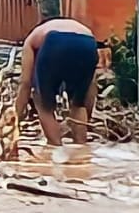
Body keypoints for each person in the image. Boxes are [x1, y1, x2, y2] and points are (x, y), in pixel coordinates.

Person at [14, 17, 100, 146]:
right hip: (89, 42)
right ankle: (82, 151)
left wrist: (15, 119)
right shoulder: (73, 26)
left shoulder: (32, 38)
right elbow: (90, 87)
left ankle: (55, 147)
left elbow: (25, 83)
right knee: (77, 103)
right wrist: (87, 117)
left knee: (43, 103)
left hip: (55, 42)